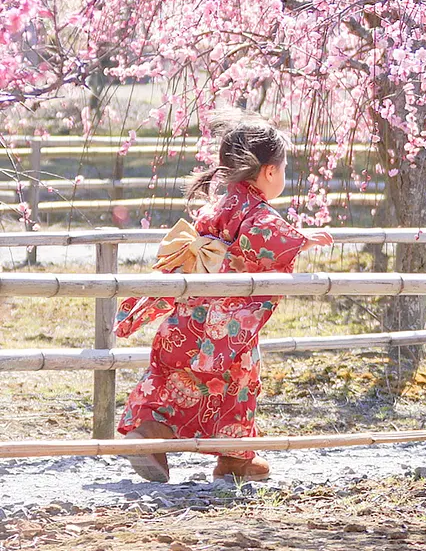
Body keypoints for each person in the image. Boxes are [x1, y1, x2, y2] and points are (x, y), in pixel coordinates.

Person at [115, 111, 332, 483]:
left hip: (187, 317)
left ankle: (151, 434)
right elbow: (266, 235)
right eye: (282, 169)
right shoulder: (256, 211)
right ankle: (235, 460)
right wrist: (302, 239)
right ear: (268, 171)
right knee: (237, 384)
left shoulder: (213, 208)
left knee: (172, 376)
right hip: (225, 328)